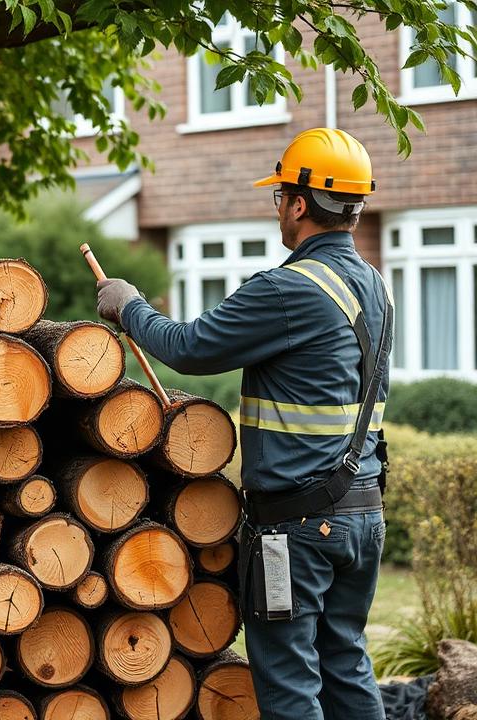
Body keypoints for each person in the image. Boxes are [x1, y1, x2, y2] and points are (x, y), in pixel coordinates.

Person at [96, 128, 392, 720]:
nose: (279, 208)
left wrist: (128, 305)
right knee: (346, 663)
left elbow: (191, 347)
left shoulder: (289, 288)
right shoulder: (375, 284)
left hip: (297, 529)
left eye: (281, 196)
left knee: (288, 683)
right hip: (362, 513)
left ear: (300, 203)